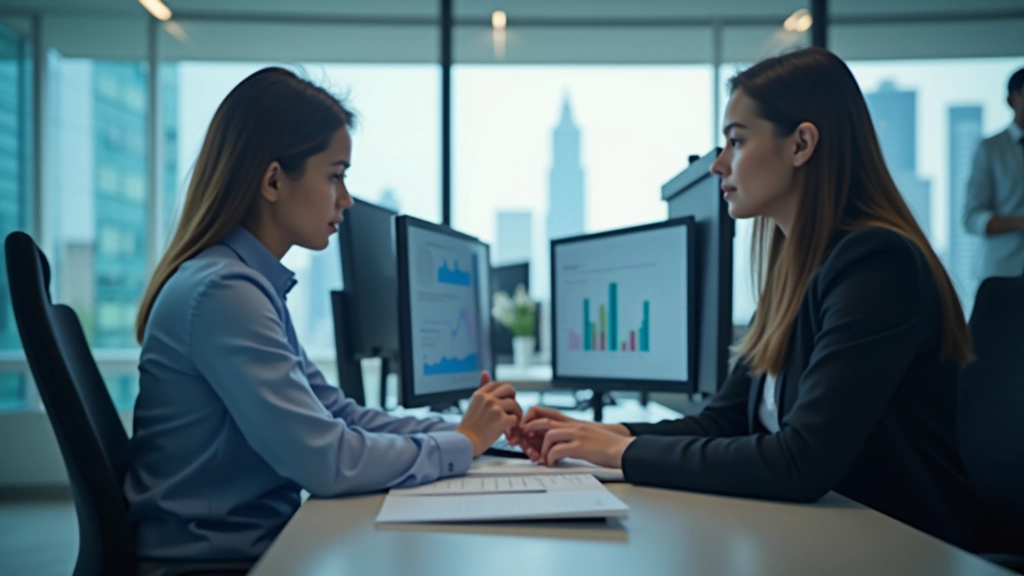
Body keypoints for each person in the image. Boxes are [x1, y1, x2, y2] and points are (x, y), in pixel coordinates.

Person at [514, 47, 975, 548]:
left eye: (735, 141)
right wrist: (601, 434)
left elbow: (799, 462)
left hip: (902, 546)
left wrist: (621, 454)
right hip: (826, 534)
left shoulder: (877, 265)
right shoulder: (796, 271)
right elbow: (725, 420)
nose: (717, 165)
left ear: (801, 144)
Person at [126, 68, 522, 574]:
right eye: (335, 175)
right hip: (217, 564)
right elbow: (326, 460)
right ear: (273, 180)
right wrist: (463, 443)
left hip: (252, 547)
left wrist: (469, 431)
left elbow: (337, 413)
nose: (346, 199)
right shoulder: (225, 292)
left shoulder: (245, 283)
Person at [964, 67, 1024, 279]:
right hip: (1003, 273)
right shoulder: (989, 149)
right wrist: (1019, 223)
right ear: (1012, 100)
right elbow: (972, 217)